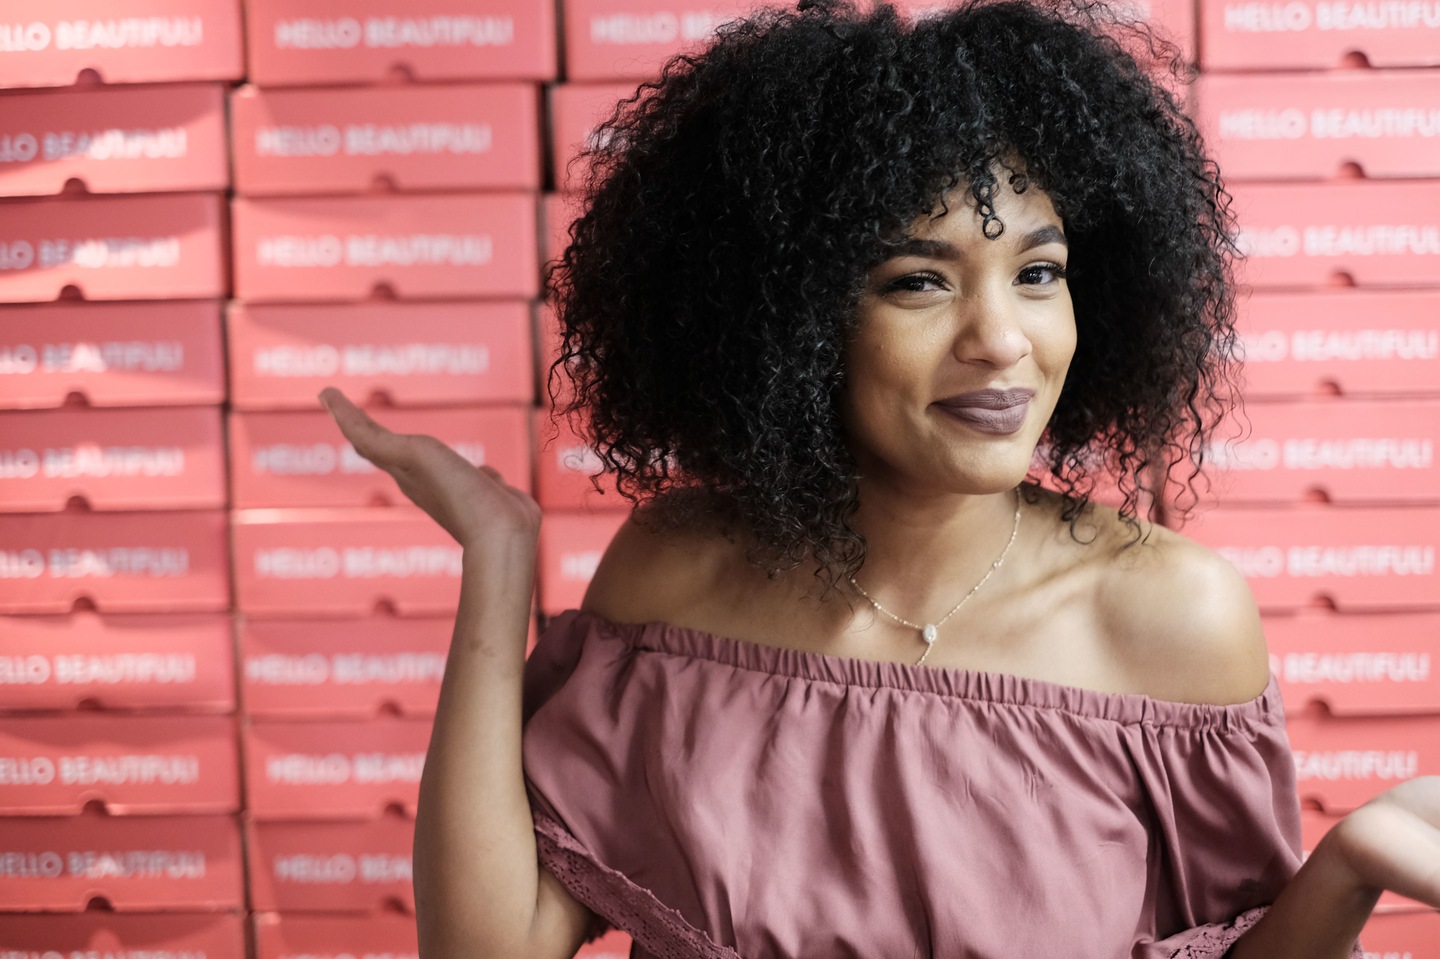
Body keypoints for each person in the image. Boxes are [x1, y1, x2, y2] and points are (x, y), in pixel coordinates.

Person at [319, 1, 1440, 956]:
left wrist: (1345, 867)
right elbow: (490, 941)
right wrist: (499, 560)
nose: (1002, 338)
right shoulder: (677, 579)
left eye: (1038, 271)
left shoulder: (1170, 614)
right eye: (918, 282)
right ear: (792, 324)